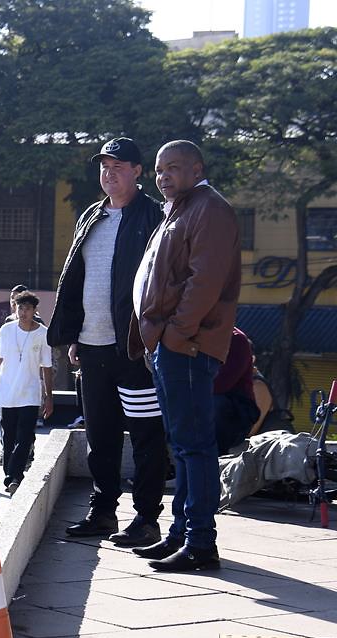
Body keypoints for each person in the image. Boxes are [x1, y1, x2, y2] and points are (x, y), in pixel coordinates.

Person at [47, 137, 170, 547]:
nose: (109, 173)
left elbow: (167, 280)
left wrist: (157, 337)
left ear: (138, 171)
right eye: (104, 166)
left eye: (119, 166)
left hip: (136, 348)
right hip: (92, 345)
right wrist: (74, 334)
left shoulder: (156, 216)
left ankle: (147, 519)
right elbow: (77, 280)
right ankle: (102, 513)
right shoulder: (91, 216)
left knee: (147, 434)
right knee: (100, 435)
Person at [129, 140, 241, 572]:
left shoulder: (209, 208)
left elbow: (204, 282)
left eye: (172, 168)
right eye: (159, 170)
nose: (163, 176)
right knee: (183, 445)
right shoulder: (179, 208)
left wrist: (174, 336)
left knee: (195, 447)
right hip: (170, 345)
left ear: (197, 169)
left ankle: (200, 543)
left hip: (187, 346)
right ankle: (180, 533)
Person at [0, 291, 53, 496]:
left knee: (25, 437)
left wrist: (49, 396)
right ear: (15, 308)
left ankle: (15, 477)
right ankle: (10, 476)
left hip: (30, 393)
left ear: (34, 311)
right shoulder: (6, 330)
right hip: (6, 392)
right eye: (20, 308)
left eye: (27, 309)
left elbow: (47, 367)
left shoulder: (43, 333)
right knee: (8, 437)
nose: (23, 312)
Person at [213, 327, 260, 455]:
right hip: (201, 402)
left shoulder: (236, 340)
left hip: (237, 412)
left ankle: (216, 458)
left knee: (215, 403)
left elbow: (220, 385)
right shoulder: (188, 334)